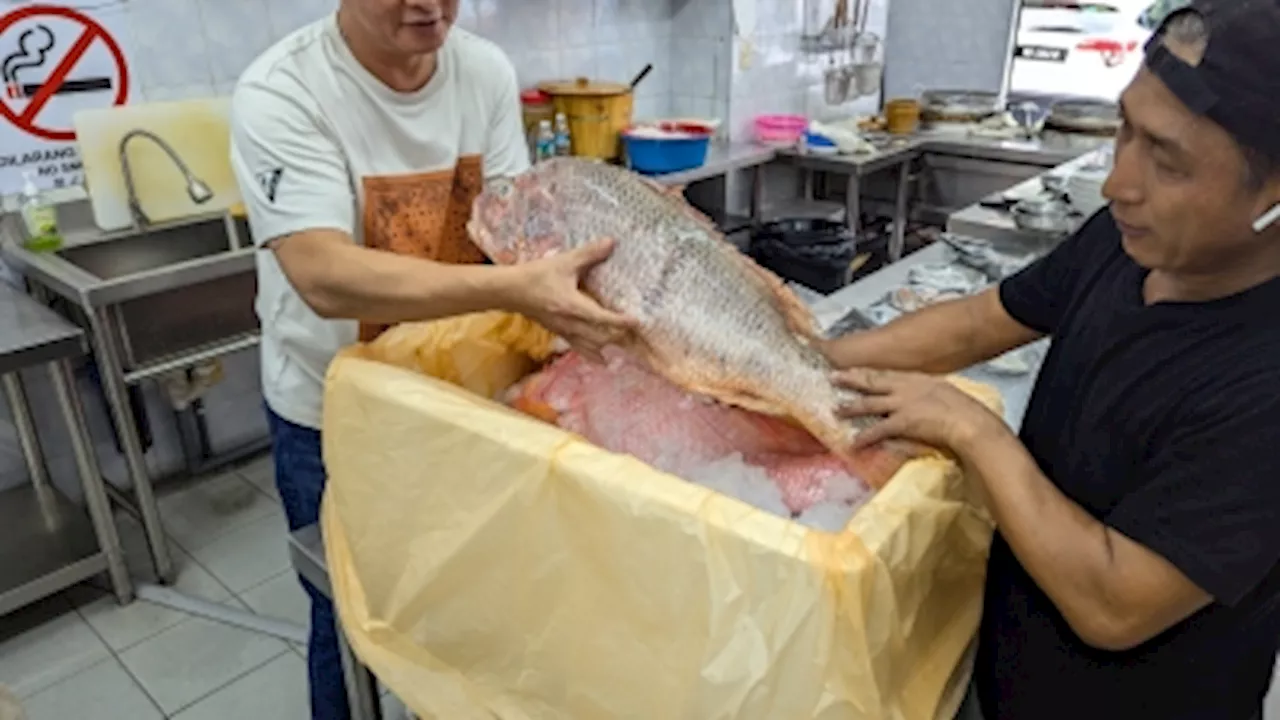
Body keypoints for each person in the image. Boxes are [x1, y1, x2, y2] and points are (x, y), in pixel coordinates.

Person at [822, 2, 1280, 719]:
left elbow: (1114, 603)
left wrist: (975, 432)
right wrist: (803, 358)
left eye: (1167, 160)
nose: (1118, 185)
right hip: (1010, 664)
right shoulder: (1126, 241)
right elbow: (976, 323)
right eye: (1125, 128)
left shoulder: (1263, 382)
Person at [228, 1, 634, 717]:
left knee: (470, 596)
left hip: (459, 401)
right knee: (347, 608)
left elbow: (519, 226)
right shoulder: (283, 91)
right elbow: (321, 274)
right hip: (333, 412)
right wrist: (518, 289)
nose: (430, 4)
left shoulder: (481, 71)